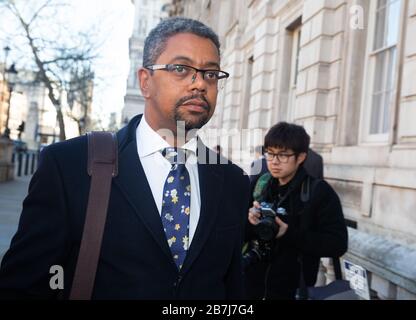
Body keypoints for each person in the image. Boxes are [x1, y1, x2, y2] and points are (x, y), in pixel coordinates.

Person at [0, 17, 250, 299]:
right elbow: (22, 285)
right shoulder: (69, 166)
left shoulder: (233, 182)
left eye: (211, 74)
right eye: (181, 69)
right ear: (145, 82)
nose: (200, 84)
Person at [243, 122, 347, 300]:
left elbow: (337, 244)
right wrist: (250, 222)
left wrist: (288, 233)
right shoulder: (259, 186)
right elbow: (237, 232)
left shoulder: (318, 192)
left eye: (283, 155)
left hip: (294, 291)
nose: (274, 161)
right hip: (251, 285)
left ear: (300, 157)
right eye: (270, 153)